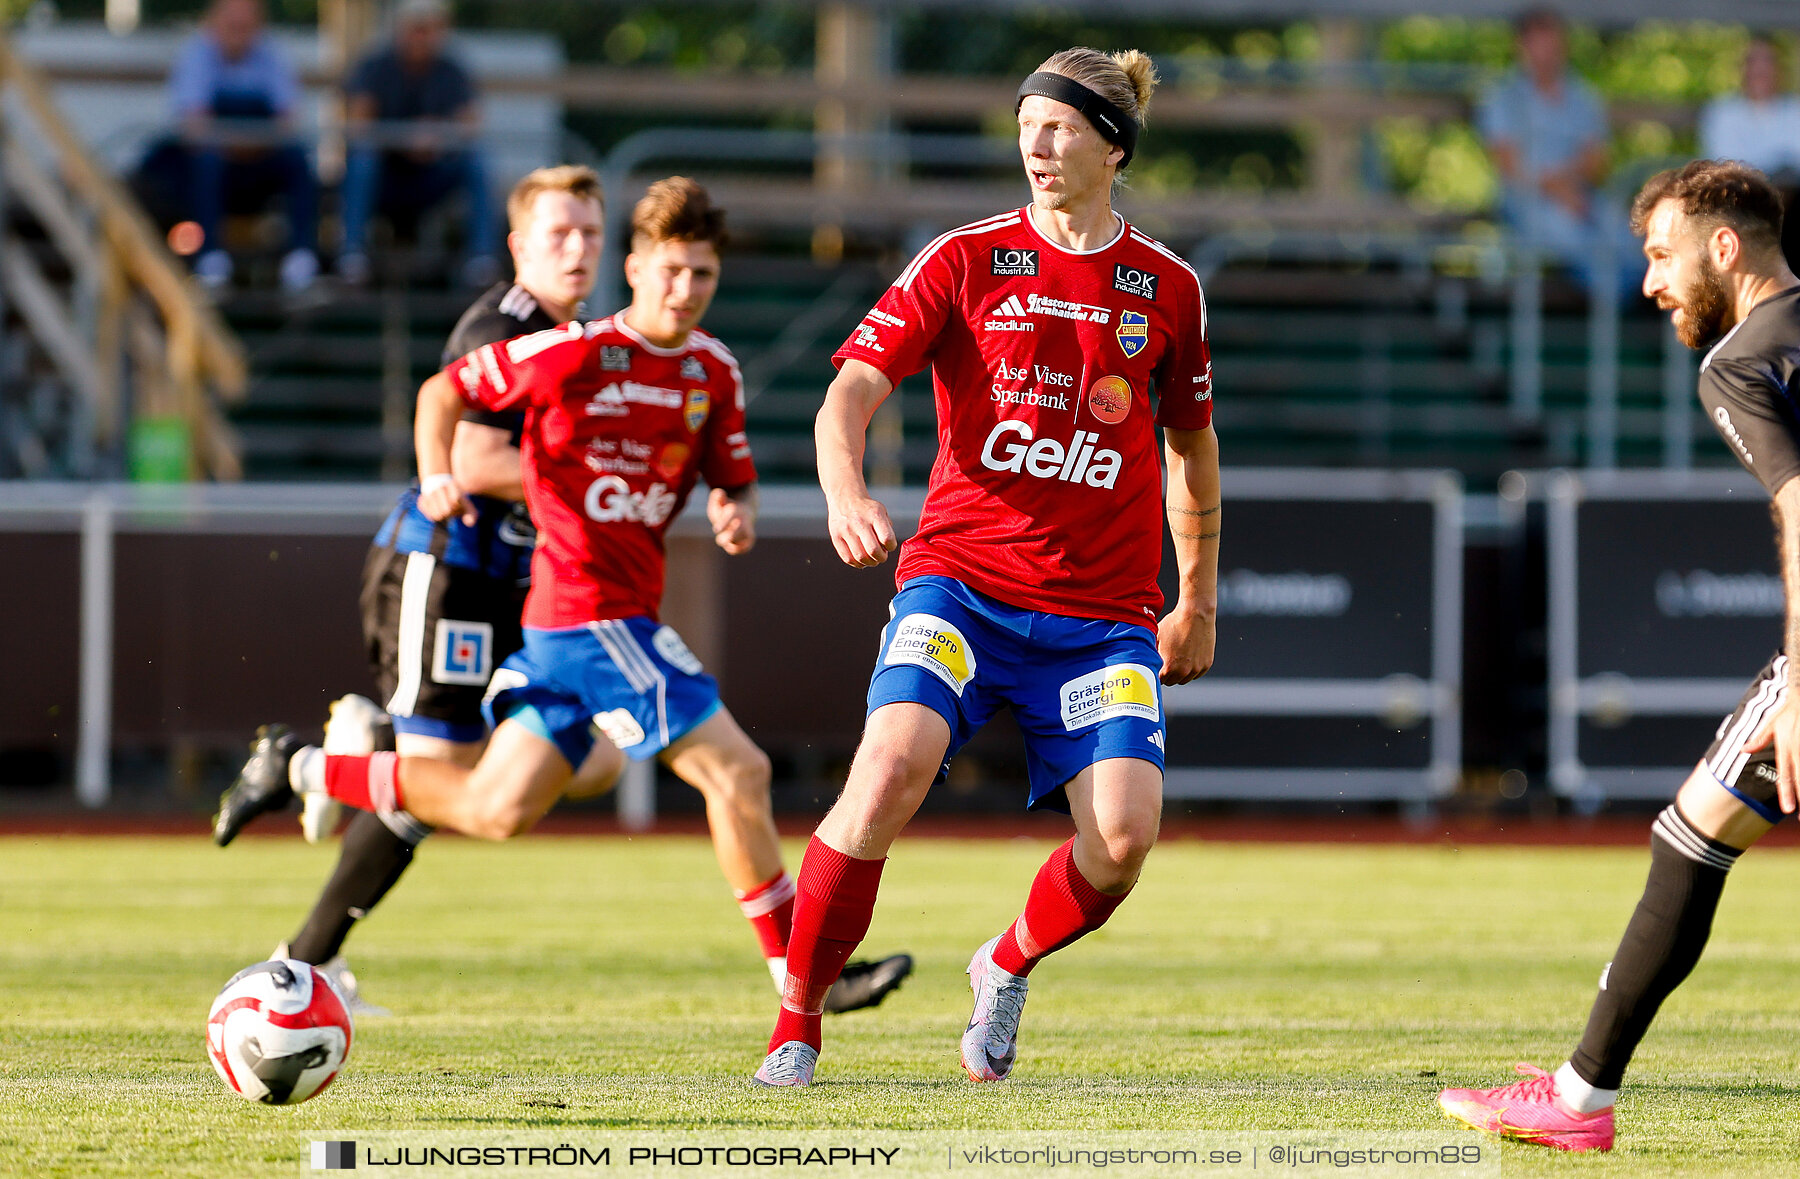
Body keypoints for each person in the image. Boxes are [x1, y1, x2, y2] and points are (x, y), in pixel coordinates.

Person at [214, 176, 911, 1016]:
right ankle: (809, 980)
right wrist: (464, 476)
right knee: (741, 769)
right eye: (670, 271)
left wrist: (735, 506)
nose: (685, 290)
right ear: (636, 267)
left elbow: (731, 472)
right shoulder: (547, 341)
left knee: (498, 802)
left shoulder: (710, 370)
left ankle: (305, 766)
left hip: (552, 609)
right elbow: (448, 407)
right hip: (525, 593)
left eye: (704, 276)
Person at [752, 46, 1219, 1088]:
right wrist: (846, 491)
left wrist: (1197, 601)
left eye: (1057, 127)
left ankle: (1003, 965)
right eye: (1025, 127)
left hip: (1103, 615)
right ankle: (797, 1020)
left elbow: (1192, 448)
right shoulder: (964, 258)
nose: (1035, 146)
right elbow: (849, 395)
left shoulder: (1169, 289)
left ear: (1112, 143)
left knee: (1126, 839)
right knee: (888, 768)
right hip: (960, 583)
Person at [1439, 159, 1800, 1154]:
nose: (1649, 281)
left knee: (1693, 832)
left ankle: (1580, 1099)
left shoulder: (1741, 362)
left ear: (1723, 247)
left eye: (1660, 253)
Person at [1477, 7, 1635, 295]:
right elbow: (1508, 165)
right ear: (1521, 46)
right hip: (1524, 202)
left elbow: (1597, 160)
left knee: (1626, 231)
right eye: (1540, 44)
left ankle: (1640, 300)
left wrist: (1568, 189)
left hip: (1581, 196)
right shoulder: (1502, 97)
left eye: (1553, 43)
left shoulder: (1583, 97)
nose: (1547, 53)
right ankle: (1620, 311)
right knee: (1572, 235)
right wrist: (1556, 189)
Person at [338, 0, 495, 287]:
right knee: (362, 159)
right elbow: (359, 123)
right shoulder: (375, 66)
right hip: (385, 179)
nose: (422, 36)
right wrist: (405, 139)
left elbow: (471, 124)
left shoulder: (451, 70)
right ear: (401, 29)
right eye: (416, 28)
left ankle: (481, 258)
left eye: (430, 29)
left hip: (430, 177)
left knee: (475, 160)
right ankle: (352, 255)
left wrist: (437, 135)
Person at [168, 0, 319, 293]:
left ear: (258, 25)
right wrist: (241, 141)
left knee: (298, 160)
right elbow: (193, 124)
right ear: (214, 22)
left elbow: (289, 120)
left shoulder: (272, 55)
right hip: (217, 163)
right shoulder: (196, 55)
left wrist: (247, 142)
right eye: (232, 24)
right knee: (204, 161)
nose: (239, 32)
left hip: (261, 160)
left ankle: (301, 259)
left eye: (246, 25)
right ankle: (210, 258)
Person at [1699, 36, 1800, 271]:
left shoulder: (1794, 111)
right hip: (1739, 204)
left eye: (1768, 62)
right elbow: (1725, 168)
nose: (1761, 70)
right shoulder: (1723, 113)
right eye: (1754, 61)